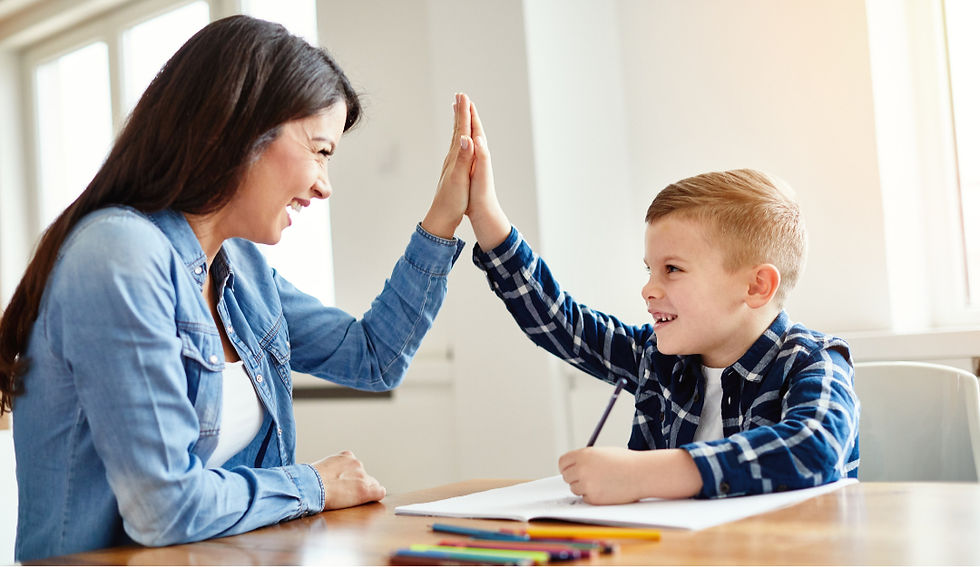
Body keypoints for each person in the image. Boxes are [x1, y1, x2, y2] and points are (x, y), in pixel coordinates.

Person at [0, 16, 479, 561]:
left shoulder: (240, 269)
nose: (326, 186)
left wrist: (442, 220)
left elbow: (374, 358)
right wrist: (314, 485)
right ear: (239, 128)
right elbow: (166, 509)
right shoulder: (119, 256)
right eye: (321, 151)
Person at [459, 101, 859, 503]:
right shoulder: (659, 357)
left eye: (672, 269)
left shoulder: (813, 361)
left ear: (756, 287)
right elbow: (562, 323)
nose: (648, 289)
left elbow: (815, 447)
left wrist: (645, 475)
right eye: (649, 269)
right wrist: (486, 216)